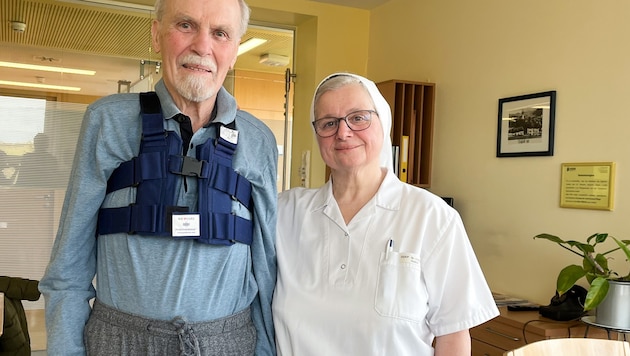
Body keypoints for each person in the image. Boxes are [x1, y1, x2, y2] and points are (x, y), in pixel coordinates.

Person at [38, 0, 278, 355]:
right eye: (186, 25)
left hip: (228, 343)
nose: (202, 46)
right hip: (120, 342)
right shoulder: (108, 122)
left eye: (220, 33)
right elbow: (68, 269)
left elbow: (266, 268)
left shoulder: (258, 141)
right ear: (156, 35)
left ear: (235, 50)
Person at [272, 73, 499, 356]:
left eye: (358, 118)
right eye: (328, 123)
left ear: (384, 123)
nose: (343, 133)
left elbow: (452, 334)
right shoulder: (285, 213)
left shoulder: (431, 217)